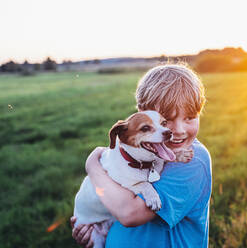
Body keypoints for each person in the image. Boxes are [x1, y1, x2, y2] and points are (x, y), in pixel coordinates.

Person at [70, 63, 212, 248]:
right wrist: (94, 230)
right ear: (144, 115)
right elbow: (112, 201)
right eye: (166, 120)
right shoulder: (140, 151)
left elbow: (130, 214)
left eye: (190, 117)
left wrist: (93, 167)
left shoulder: (193, 160)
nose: (178, 130)